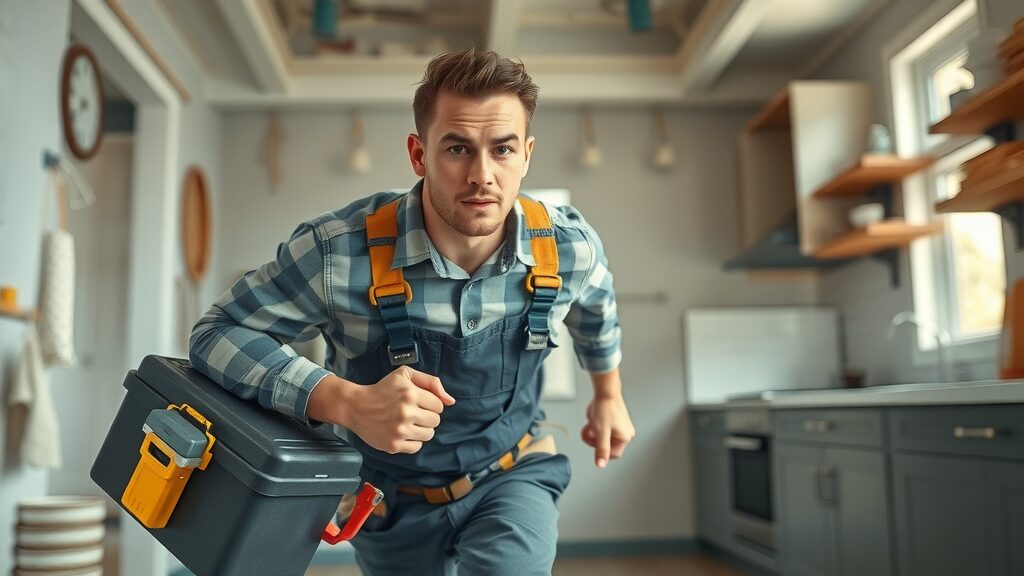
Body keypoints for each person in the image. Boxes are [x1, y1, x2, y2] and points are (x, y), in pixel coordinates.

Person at [189, 48, 635, 576]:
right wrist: (344, 402)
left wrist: (609, 394)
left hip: (512, 473)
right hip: (386, 502)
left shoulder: (569, 249)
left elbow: (596, 308)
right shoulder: (337, 254)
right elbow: (218, 333)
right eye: (457, 148)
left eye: (503, 149)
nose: (482, 175)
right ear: (419, 155)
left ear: (527, 155)